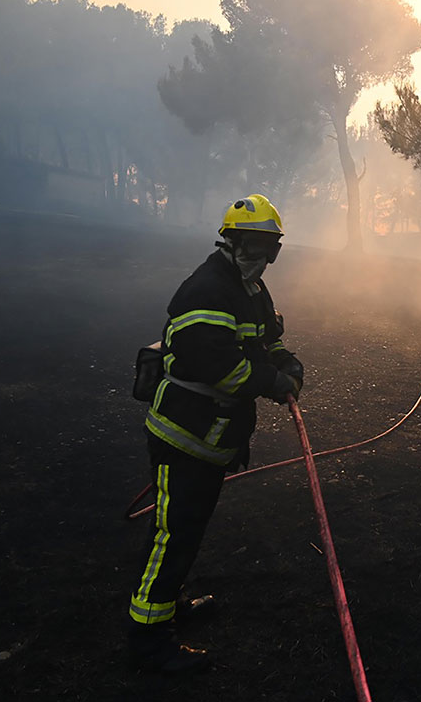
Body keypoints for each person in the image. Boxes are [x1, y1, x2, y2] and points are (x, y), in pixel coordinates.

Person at [126, 193, 305, 674]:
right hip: (182, 433)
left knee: (186, 530)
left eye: (269, 247)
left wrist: (286, 361)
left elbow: (267, 340)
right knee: (173, 533)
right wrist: (272, 381)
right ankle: (148, 640)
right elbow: (218, 367)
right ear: (230, 241)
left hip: (212, 435)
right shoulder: (206, 289)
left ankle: (169, 604)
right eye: (250, 244)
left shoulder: (251, 290)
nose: (260, 256)